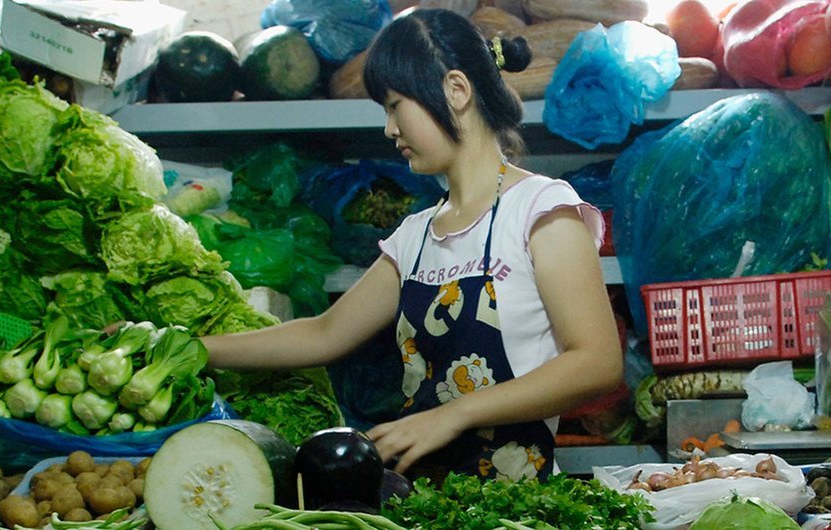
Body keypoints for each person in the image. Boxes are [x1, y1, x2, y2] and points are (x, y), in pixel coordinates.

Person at [201, 8, 623, 482]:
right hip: (420, 499)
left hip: (513, 503)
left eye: (396, 105)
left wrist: (454, 413)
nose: (389, 129)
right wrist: (193, 348)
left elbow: (597, 363)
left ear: (455, 91)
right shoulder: (416, 235)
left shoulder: (541, 211)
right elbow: (323, 334)